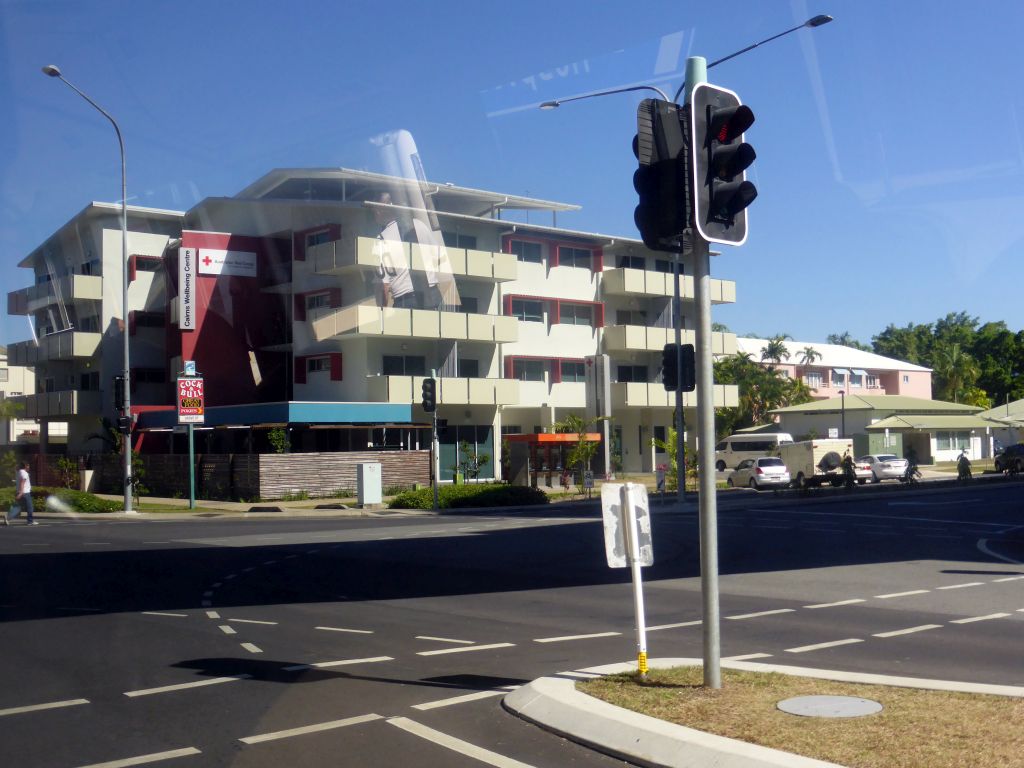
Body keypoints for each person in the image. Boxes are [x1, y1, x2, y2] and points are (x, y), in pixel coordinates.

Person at [371, 192, 417, 309]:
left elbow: (383, 285)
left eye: (375, 209)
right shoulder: (414, 228)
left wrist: (382, 314)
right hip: (427, 296)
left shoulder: (381, 239)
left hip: (404, 300)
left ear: (379, 211)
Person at [7, 461, 35, 526]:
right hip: (25, 493)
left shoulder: (18, 472)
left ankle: (8, 517)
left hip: (19, 492)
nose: (29, 467)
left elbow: (16, 468)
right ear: (25, 466)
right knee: (30, 508)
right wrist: (21, 493)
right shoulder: (25, 473)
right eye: (28, 465)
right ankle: (30, 521)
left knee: (18, 508)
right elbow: (22, 483)